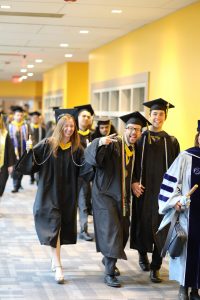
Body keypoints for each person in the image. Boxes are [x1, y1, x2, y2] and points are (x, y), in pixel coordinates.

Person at [16, 108, 92, 284]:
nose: (69, 129)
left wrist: (90, 155)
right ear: (59, 127)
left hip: (67, 195)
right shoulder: (47, 145)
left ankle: (54, 258)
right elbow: (30, 166)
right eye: (65, 126)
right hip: (48, 193)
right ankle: (58, 265)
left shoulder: (77, 150)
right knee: (53, 226)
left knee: (60, 227)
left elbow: (86, 173)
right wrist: (29, 152)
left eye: (71, 126)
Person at [84, 111, 151, 287]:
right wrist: (100, 142)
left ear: (141, 132)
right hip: (104, 195)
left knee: (123, 231)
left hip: (122, 196)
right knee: (113, 231)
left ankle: (108, 260)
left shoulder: (133, 149)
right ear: (124, 129)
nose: (133, 133)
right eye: (129, 128)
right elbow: (93, 159)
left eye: (137, 129)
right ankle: (109, 272)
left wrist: (135, 182)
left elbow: (132, 172)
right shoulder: (113, 144)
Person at [130, 98, 180, 283]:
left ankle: (156, 266)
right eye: (154, 114)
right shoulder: (140, 139)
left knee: (162, 228)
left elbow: (177, 170)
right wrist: (134, 182)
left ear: (165, 117)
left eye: (160, 114)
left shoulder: (172, 141)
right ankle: (142, 254)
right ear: (149, 116)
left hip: (163, 194)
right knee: (142, 225)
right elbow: (131, 165)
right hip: (142, 192)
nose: (157, 117)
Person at [158, 121, 200, 300]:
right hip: (188, 214)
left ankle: (196, 289)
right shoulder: (186, 157)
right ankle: (184, 286)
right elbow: (171, 184)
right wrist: (175, 201)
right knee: (187, 249)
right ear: (198, 136)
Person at [74, 104, 94, 241]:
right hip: (70, 175)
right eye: (83, 116)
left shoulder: (93, 136)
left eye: (88, 116)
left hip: (84, 176)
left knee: (83, 203)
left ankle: (83, 229)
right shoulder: (71, 133)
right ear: (78, 117)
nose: (86, 119)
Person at [8, 106, 29, 193]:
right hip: (13, 152)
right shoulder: (10, 126)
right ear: (14, 116)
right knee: (15, 169)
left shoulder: (26, 126)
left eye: (21, 115)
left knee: (22, 168)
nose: (19, 117)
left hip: (24, 151)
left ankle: (18, 183)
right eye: (17, 115)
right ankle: (15, 186)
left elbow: (30, 138)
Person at [0, 113, 16, 200]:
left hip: (4, 164)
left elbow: (10, 150)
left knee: (1, 186)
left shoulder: (5, 134)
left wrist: (10, 164)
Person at [29, 111, 46, 184]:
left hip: (39, 149)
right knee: (31, 163)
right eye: (34, 117)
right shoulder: (28, 128)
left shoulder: (42, 128)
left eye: (37, 117)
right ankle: (32, 177)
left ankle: (37, 179)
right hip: (30, 149)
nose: (35, 119)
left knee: (38, 164)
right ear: (31, 118)